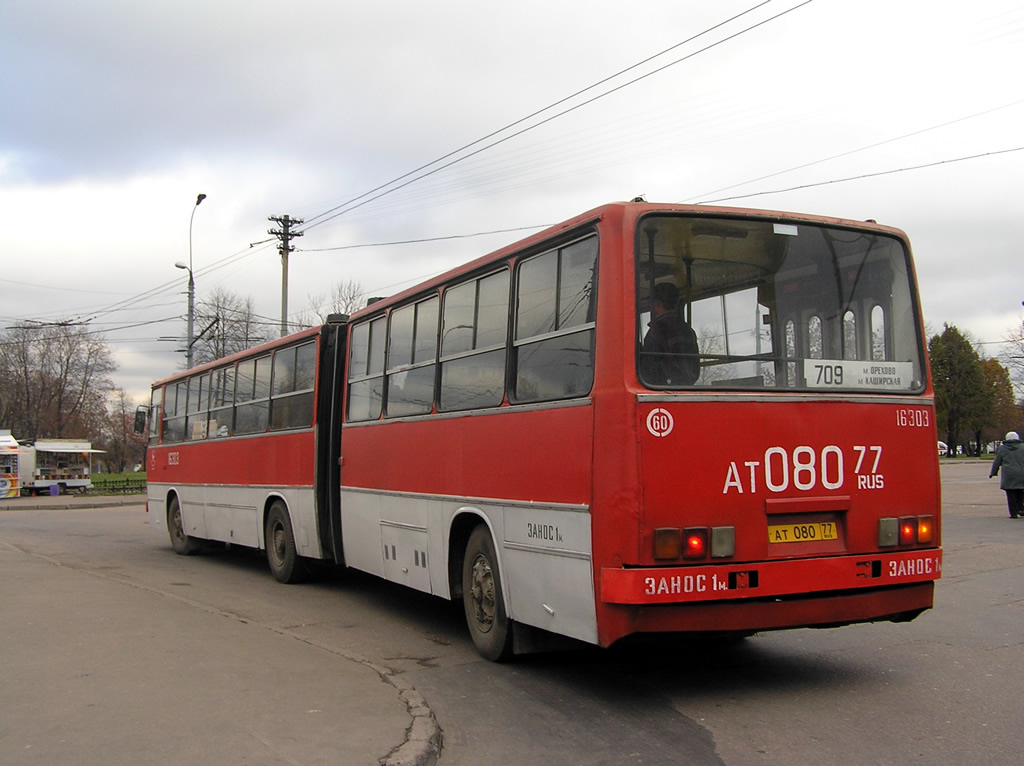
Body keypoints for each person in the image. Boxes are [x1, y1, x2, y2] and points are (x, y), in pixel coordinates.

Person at [640, 282, 699, 386]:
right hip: (686, 386)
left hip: (660, 387)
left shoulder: (657, 330)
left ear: (657, 303)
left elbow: (648, 368)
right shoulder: (687, 330)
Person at [989, 431, 1024, 518]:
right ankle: (1020, 508)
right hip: (1022, 474)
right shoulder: (1023, 447)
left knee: (1010, 494)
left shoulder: (1002, 449)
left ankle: (1013, 513)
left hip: (1009, 475)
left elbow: (997, 462)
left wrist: (993, 472)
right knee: (1020, 492)